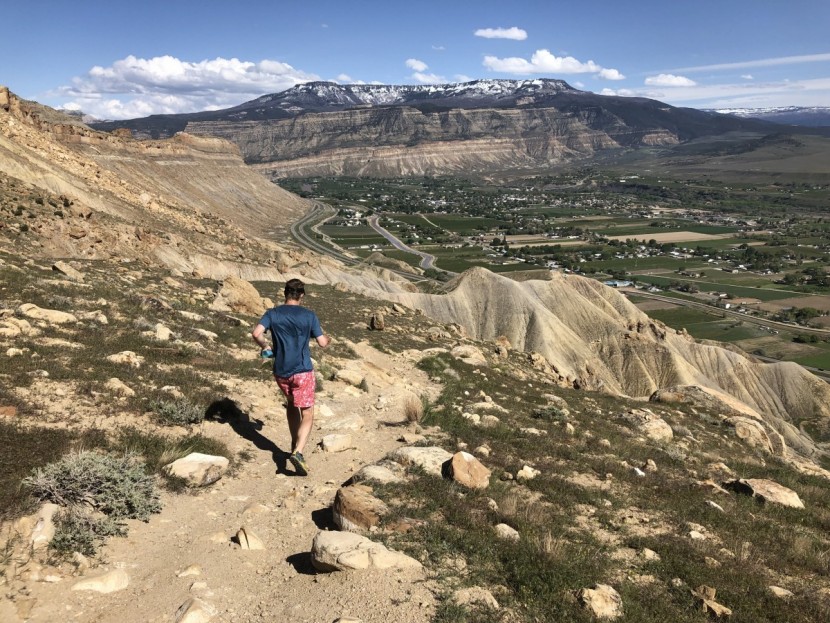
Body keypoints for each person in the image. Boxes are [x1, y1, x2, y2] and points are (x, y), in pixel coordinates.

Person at [251, 278, 329, 475]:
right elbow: (322, 343)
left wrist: (265, 347)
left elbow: (256, 333)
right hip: (302, 370)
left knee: (292, 405)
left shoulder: (272, 314)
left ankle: (294, 442)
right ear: (301, 295)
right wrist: (326, 338)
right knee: (308, 412)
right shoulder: (309, 316)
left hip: (281, 371)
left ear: (285, 293)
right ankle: (299, 452)